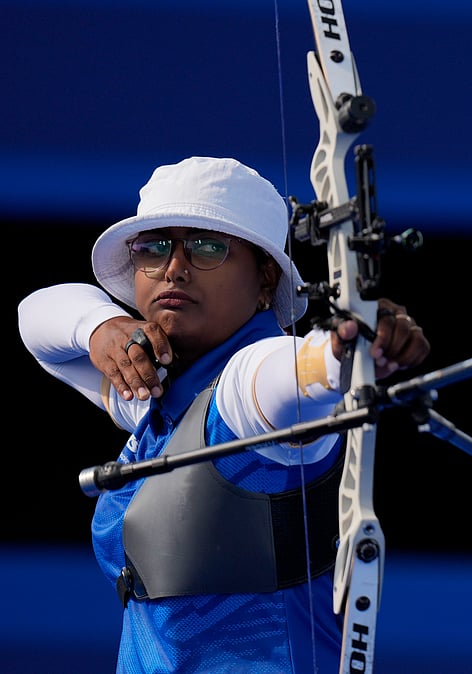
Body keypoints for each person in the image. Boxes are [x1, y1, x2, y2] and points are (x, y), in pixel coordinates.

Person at [17, 156, 431, 673]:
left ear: (263, 281)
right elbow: (35, 319)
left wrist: (349, 349)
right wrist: (101, 327)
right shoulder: (150, 389)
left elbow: (292, 376)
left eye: (208, 247)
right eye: (155, 246)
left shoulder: (247, 387)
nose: (175, 266)